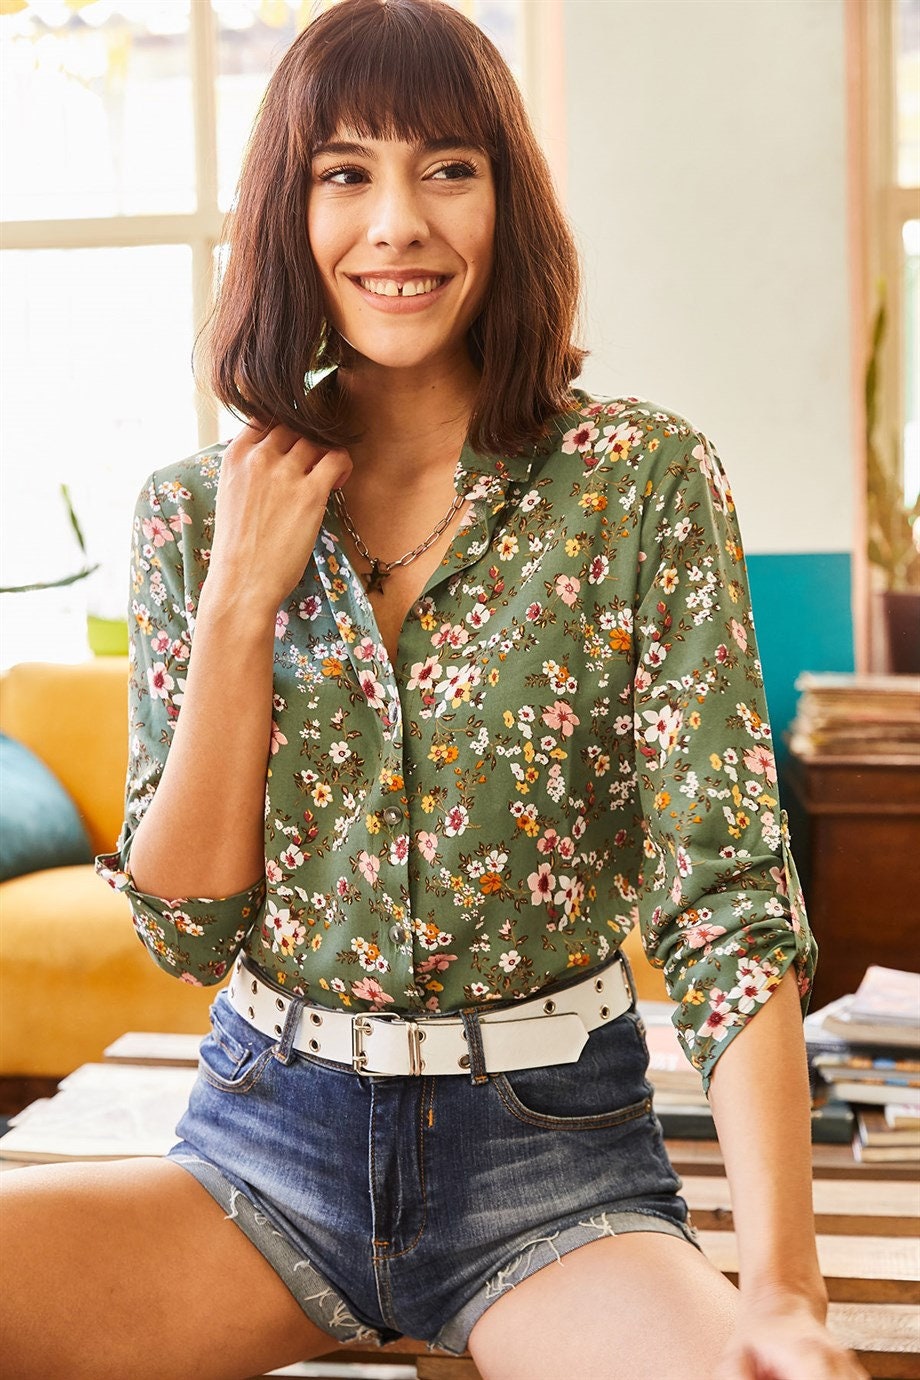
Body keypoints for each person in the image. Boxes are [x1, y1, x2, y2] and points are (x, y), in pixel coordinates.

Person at [0, 3, 867, 1377]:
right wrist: (238, 603)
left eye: (447, 167)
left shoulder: (643, 485)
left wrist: (787, 1292)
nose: (397, 222)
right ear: (290, 211)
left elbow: (728, 907)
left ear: (505, 199)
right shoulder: (190, 513)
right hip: (259, 1155)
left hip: (552, 1172)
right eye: (345, 173)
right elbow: (182, 924)